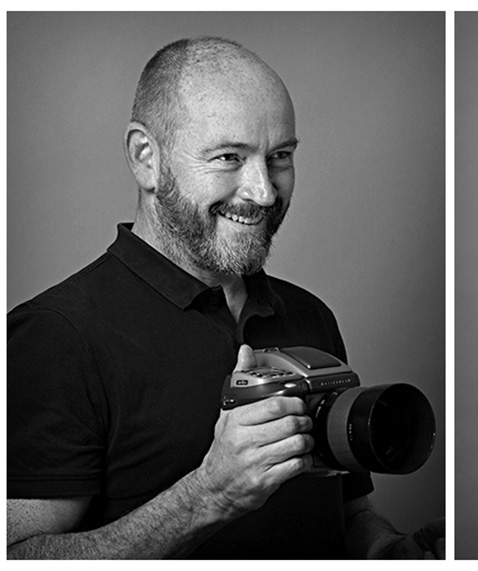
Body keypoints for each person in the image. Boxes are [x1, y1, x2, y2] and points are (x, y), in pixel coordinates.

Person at [7, 36, 443, 559]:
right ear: (146, 158)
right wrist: (211, 493)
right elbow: (19, 557)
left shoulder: (309, 316)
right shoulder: (57, 335)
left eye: (279, 156)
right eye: (229, 157)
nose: (263, 191)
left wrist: (394, 552)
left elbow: (347, 516)